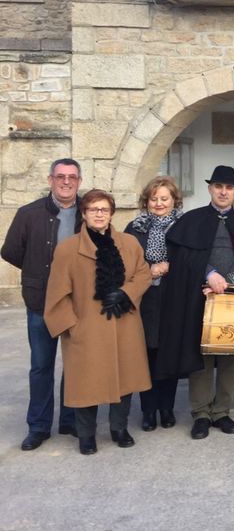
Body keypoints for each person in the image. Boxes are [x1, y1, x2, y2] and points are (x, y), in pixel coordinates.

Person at [155, 165, 234, 440]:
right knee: (202, 355)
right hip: (200, 296)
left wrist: (230, 281)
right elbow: (184, 259)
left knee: (231, 355)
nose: (223, 192)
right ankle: (201, 414)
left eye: (229, 187)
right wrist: (209, 274)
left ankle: (222, 411)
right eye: (218, 186)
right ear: (210, 189)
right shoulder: (192, 220)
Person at [44, 189, 152, 455]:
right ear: (84, 213)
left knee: (125, 380)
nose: (99, 214)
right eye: (93, 209)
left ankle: (119, 428)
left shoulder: (129, 243)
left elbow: (143, 274)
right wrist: (73, 326)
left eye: (104, 209)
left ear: (111, 213)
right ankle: (86, 435)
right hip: (86, 328)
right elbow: (57, 293)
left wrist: (126, 293)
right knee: (85, 384)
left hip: (124, 324)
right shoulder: (68, 249)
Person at [2, 158, 81, 451]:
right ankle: (38, 426)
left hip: (77, 301)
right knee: (41, 365)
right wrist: (38, 271)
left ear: (79, 181)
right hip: (41, 301)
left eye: (72, 177)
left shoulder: (88, 212)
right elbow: (10, 251)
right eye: (60, 176)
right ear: (50, 180)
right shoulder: (29, 213)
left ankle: (71, 420)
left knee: (75, 364)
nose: (66, 182)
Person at [124, 176, 184, 431]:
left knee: (169, 353)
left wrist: (173, 266)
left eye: (164, 198)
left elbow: (192, 260)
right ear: (146, 201)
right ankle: (148, 410)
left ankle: (166, 408)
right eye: (154, 198)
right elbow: (125, 263)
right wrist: (150, 270)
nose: (159, 203)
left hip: (174, 297)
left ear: (174, 200)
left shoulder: (185, 226)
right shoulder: (134, 228)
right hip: (145, 299)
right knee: (146, 353)